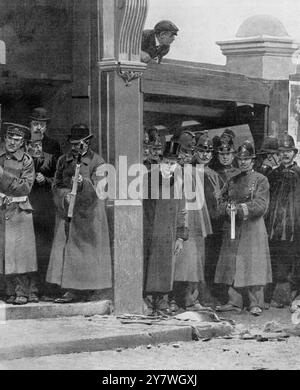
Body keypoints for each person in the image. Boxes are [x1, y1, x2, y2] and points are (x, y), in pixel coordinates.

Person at [46, 124, 112, 303]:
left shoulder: (98, 162)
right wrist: (64, 197)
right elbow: (56, 184)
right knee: (68, 250)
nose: (75, 147)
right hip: (68, 211)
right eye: (73, 144)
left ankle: (90, 291)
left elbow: (101, 189)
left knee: (87, 253)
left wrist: (84, 184)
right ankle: (72, 289)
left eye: (79, 143)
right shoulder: (63, 161)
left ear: (87, 142)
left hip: (89, 214)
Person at [215, 141, 272, 316]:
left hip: (253, 228)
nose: (243, 162)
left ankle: (256, 303)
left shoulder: (261, 180)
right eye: (240, 159)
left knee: (253, 265)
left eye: (247, 159)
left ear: (253, 161)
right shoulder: (232, 180)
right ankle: (234, 302)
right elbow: (220, 201)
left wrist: (240, 209)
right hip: (233, 227)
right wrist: (227, 208)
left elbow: (261, 205)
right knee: (233, 265)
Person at [143, 141, 188, 315]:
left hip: (168, 232)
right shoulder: (148, 177)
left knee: (164, 268)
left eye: (173, 163)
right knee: (148, 266)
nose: (169, 166)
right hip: (149, 230)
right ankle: (147, 300)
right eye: (167, 162)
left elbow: (182, 209)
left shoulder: (179, 181)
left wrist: (180, 236)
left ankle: (161, 301)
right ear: (160, 161)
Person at [174, 135, 214, 311]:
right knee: (179, 261)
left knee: (196, 261)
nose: (187, 156)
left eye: (191, 152)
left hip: (196, 222)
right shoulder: (172, 170)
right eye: (183, 151)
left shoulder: (197, 171)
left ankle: (192, 298)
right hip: (180, 220)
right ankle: (175, 299)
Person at [0, 123, 38, 305]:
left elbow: (25, 187)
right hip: (2, 209)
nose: (12, 143)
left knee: (21, 256)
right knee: (5, 253)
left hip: (19, 211)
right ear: (5, 138)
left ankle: (22, 291)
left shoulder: (27, 161)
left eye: (17, 140)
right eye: (10, 138)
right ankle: (9, 291)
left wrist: (3, 176)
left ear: (23, 142)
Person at [265, 133, 300, 308]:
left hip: (295, 226)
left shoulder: (299, 173)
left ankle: (294, 298)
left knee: (293, 261)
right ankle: (273, 298)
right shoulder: (272, 175)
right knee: (274, 259)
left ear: (294, 153)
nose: (285, 154)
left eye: (288, 151)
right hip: (275, 226)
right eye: (281, 151)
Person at [191, 132, 222, 305]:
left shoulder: (214, 175)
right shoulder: (189, 171)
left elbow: (219, 199)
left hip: (214, 223)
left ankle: (205, 293)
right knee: (195, 260)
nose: (205, 154)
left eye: (209, 151)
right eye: (202, 150)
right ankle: (195, 295)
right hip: (196, 223)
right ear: (196, 151)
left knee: (209, 260)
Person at [27, 132, 57, 300]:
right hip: (26, 207)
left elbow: (59, 178)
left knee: (44, 249)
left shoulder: (53, 150)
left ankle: (44, 289)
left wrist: (45, 179)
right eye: (35, 123)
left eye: (42, 124)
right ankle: (29, 289)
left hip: (46, 208)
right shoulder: (22, 158)